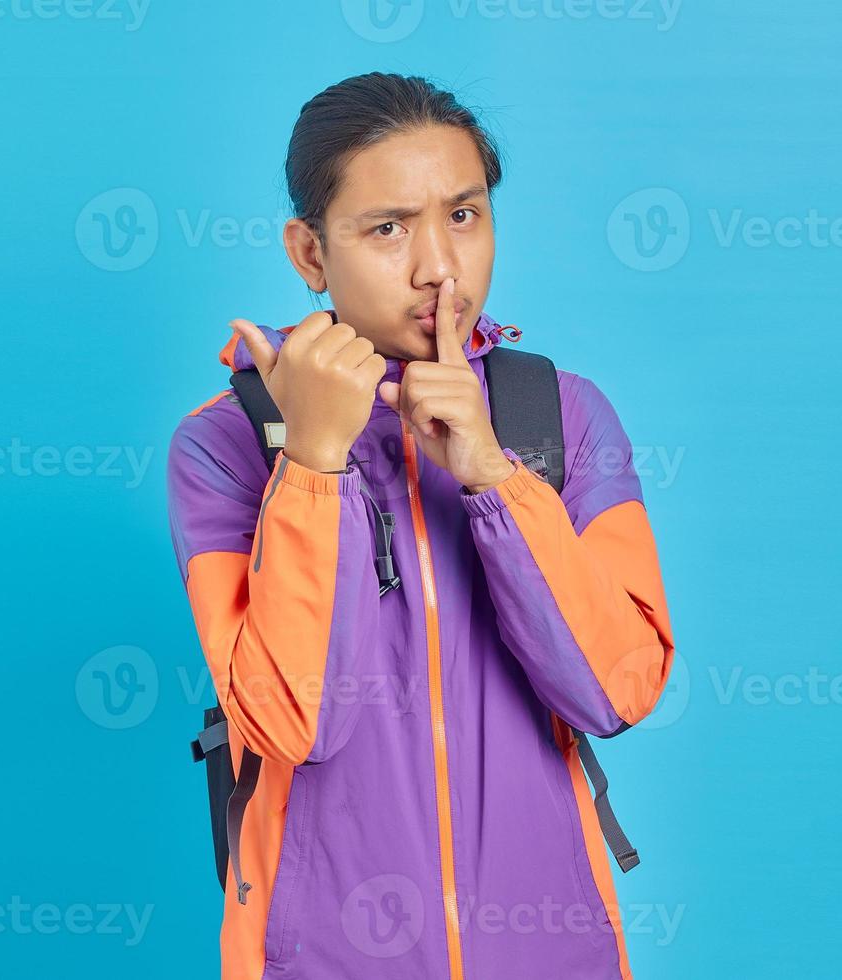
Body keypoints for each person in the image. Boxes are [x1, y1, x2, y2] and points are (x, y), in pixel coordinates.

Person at [165, 72, 676, 980]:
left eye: (466, 216)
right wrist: (313, 465)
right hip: (316, 956)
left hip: (552, 951)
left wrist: (491, 477)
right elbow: (294, 723)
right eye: (389, 228)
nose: (440, 266)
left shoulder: (559, 416)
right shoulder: (226, 444)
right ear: (311, 255)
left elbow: (617, 689)